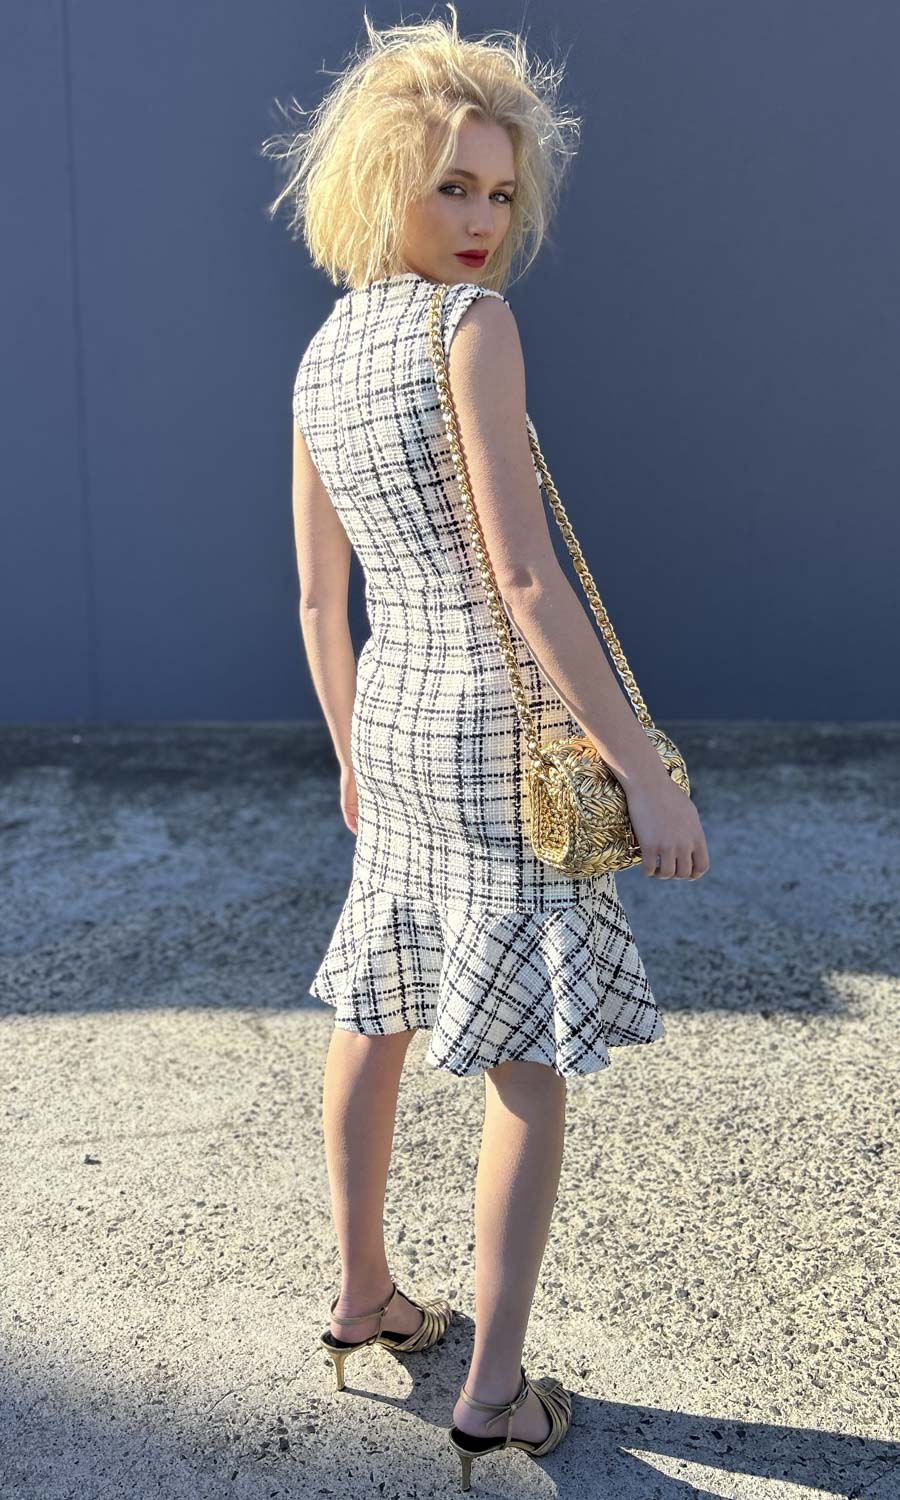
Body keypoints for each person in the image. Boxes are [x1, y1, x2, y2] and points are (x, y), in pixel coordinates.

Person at [264, 5, 709, 1488]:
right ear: (382, 178)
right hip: (491, 731)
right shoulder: (474, 329)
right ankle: (496, 1390)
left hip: (392, 720)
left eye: (502, 193)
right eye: (452, 184)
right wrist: (641, 770)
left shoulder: (322, 354)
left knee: (376, 1005)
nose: (480, 221)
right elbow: (523, 579)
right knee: (524, 1061)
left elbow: (318, 598)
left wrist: (348, 749)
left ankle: (363, 1300)